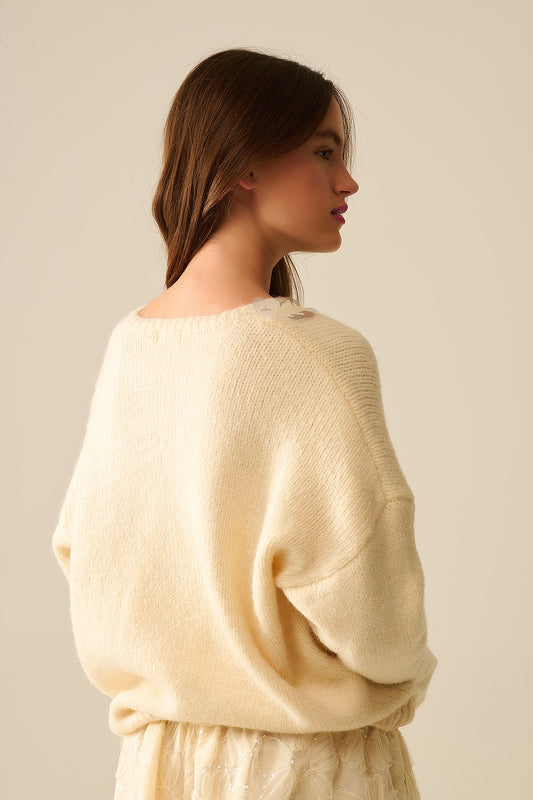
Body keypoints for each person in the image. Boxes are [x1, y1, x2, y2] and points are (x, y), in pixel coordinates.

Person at [52, 47, 438, 800]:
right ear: (245, 165)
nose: (348, 181)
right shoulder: (316, 355)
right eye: (323, 152)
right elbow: (376, 614)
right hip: (305, 768)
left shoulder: (132, 346)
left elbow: (85, 553)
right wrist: (404, 678)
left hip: (158, 769)